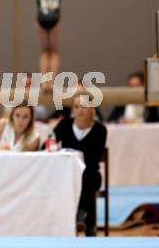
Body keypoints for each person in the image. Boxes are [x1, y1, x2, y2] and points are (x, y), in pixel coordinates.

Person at [53, 91, 107, 236]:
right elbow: (48, 144)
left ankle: (84, 218)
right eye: (76, 107)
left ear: (92, 108)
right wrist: (54, 148)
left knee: (84, 177)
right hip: (66, 174)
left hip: (90, 173)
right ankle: (74, 219)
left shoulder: (100, 130)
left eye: (84, 106)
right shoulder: (64, 125)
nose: (80, 110)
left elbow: (93, 158)